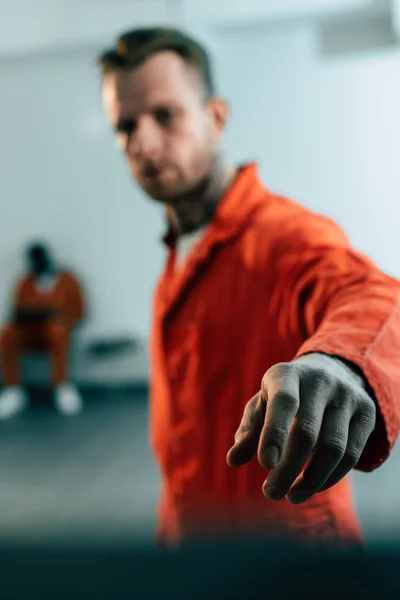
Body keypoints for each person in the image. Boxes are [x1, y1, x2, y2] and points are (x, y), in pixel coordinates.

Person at [99, 28, 400, 549]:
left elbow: (371, 295)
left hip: (293, 561)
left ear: (215, 117)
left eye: (165, 116)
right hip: (194, 546)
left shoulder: (283, 236)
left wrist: (338, 363)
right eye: (125, 126)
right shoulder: (179, 258)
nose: (142, 142)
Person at [0, 243, 85, 419]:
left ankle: (61, 386)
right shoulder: (25, 282)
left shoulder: (67, 280)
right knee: (6, 333)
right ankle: (13, 389)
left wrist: (57, 315)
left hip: (57, 332)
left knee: (56, 330)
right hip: (30, 334)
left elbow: (79, 311)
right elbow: (16, 311)